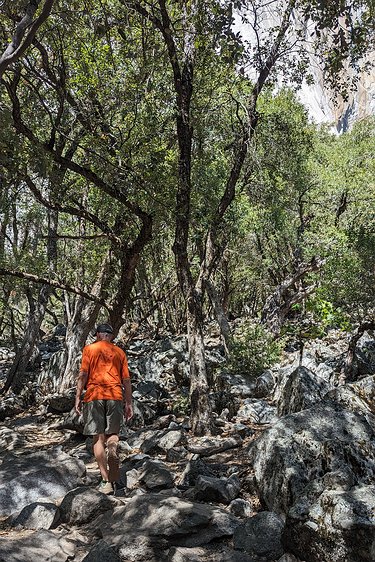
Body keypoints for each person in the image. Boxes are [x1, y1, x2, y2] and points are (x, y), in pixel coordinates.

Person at [75, 323, 133, 494]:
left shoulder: (89, 349)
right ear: (111, 336)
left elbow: (83, 374)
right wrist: (129, 403)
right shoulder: (119, 352)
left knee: (98, 439)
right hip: (115, 395)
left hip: (94, 395)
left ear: (98, 335)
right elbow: (127, 380)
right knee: (113, 434)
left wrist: (78, 397)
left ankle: (106, 480)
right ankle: (113, 447)